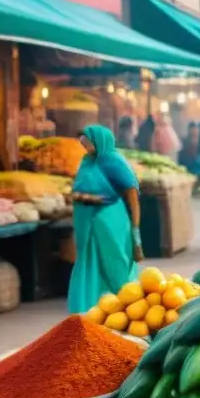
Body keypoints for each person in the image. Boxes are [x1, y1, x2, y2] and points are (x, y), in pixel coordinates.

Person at [68, 125, 142, 314]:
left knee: (114, 265)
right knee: (92, 264)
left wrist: (136, 235)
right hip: (88, 222)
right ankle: (94, 311)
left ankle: (126, 310)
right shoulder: (87, 161)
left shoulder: (113, 161)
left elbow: (132, 196)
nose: (83, 142)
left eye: (87, 138)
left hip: (110, 221)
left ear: (99, 139)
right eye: (82, 139)